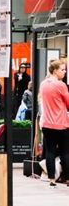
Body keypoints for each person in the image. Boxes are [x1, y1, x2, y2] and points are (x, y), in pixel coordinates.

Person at [39, 59, 69, 187]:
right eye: (62, 69)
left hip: (47, 124)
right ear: (55, 70)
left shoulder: (43, 84)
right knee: (65, 152)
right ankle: (67, 178)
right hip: (61, 124)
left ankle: (51, 179)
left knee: (50, 151)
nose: (65, 72)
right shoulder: (61, 85)